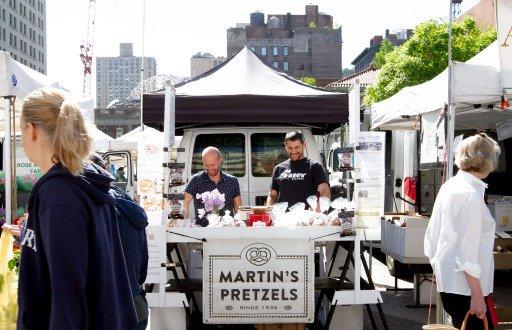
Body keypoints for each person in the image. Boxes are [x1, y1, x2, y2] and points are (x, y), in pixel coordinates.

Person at [16, 87, 137, 329]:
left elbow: (67, 294)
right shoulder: (82, 183)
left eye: (20, 129)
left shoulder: (59, 194)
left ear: (31, 130)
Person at [424, 133, 500, 330]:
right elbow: (467, 254)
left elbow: (432, 238)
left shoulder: (452, 186)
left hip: (453, 284)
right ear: (488, 161)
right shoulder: (470, 196)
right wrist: (477, 296)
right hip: (466, 288)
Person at [90, 154, 149, 329]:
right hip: (137, 303)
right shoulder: (129, 205)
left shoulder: (97, 206)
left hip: (111, 309)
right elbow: (142, 268)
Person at [267, 130, 331, 209]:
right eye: (290, 148)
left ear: (304, 145)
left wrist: (316, 213)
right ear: (285, 146)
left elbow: (325, 192)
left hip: (306, 218)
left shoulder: (314, 166)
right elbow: (273, 196)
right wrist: (270, 211)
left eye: (297, 147)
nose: (293, 151)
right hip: (283, 218)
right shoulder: (278, 168)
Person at [184, 146, 242, 220]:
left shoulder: (232, 181)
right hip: (202, 230)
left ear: (220, 160)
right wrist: (185, 223)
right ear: (203, 162)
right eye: (206, 165)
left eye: (212, 164)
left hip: (226, 229)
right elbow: (185, 202)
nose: (210, 168)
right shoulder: (196, 180)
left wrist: (240, 224)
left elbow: (238, 209)